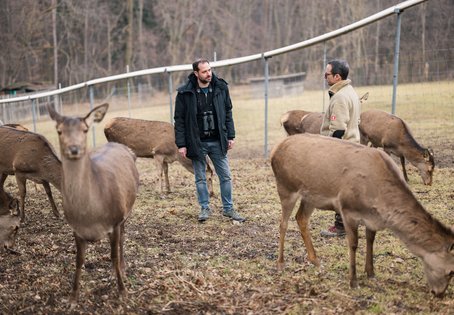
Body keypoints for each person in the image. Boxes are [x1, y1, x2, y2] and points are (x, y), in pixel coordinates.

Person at [174, 58, 245, 223]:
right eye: (204, 71)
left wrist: (231, 136)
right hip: (197, 142)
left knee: (225, 176)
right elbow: (179, 120)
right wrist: (182, 144)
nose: (208, 74)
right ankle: (204, 208)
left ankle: (228, 209)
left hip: (218, 140)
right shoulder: (185, 93)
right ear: (196, 73)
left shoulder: (221, 88)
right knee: (200, 178)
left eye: (209, 70)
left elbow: (228, 112)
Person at [320, 59, 361, 237]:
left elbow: (338, 130)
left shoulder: (340, 97)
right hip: (352, 147)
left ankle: (341, 227)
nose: (324, 76)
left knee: (340, 189)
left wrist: (329, 152)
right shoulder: (349, 91)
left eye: (327, 74)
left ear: (337, 77)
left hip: (342, 150)